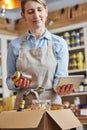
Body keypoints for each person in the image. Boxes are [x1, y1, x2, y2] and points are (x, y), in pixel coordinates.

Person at [6, 0, 73, 110]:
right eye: (31, 11)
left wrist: (61, 88)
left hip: (52, 105)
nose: (36, 16)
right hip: (24, 105)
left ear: (46, 11)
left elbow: (60, 78)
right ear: (23, 15)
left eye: (39, 10)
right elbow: (9, 81)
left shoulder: (59, 43)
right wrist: (17, 83)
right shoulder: (14, 45)